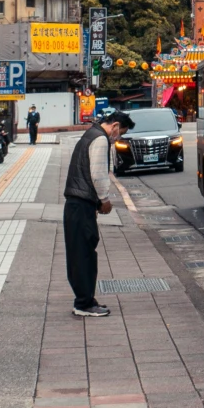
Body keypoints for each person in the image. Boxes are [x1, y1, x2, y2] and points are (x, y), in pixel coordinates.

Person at [63, 110, 129, 318]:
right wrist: (105, 199)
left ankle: (85, 300)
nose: (117, 137)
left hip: (76, 204)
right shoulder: (100, 139)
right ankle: (83, 303)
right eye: (120, 133)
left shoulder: (91, 133)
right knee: (84, 255)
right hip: (82, 204)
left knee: (80, 254)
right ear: (115, 125)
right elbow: (98, 173)